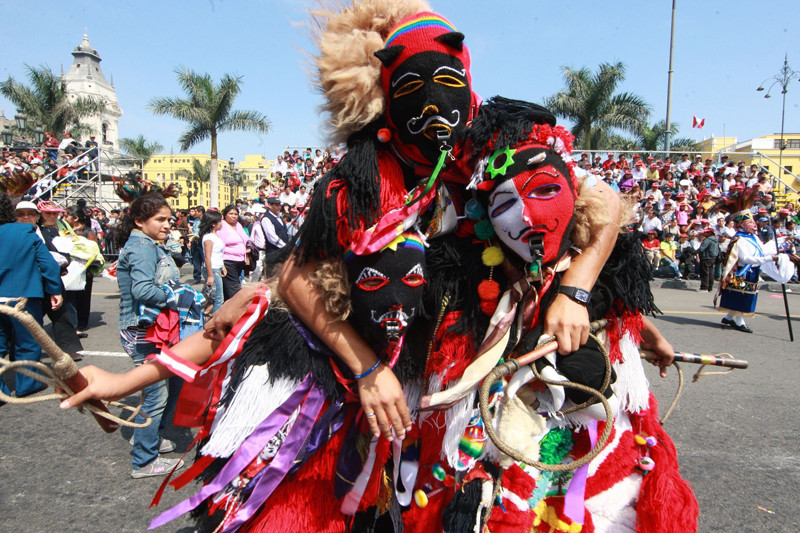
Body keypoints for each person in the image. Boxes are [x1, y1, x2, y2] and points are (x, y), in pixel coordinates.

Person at [115, 193, 184, 477]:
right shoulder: (142, 247)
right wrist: (180, 298)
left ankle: (149, 437)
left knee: (173, 384)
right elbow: (142, 290)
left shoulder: (148, 244)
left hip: (153, 330)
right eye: (160, 220)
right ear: (140, 221)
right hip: (143, 332)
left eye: (169, 219)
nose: (168, 225)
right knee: (156, 394)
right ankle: (144, 461)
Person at [0, 195, 62, 399]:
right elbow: (48, 264)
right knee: (27, 343)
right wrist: (54, 289)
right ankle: (27, 384)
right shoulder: (26, 233)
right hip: (23, 296)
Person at [35, 200, 84, 360]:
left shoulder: (61, 227)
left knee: (62, 313)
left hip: (53, 275)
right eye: (48, 213)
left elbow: (65, 248)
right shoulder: (30, 231)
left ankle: (69, 348)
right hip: (33, 278)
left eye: (55, 213)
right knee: (30, 317)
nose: (52, 216)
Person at [63, 203, 98, 337]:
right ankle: (72, 321)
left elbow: (95, 251)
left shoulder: (87, 232)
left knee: (83, 297)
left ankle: (82, 321)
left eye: (67, 216)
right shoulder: (65, 231)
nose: (64, 218)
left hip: (84, 269)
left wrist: (90, 268)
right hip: (70, 268)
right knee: (70, 297)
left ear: (76, 218)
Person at [217, 204, 249, 300]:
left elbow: (245, 239)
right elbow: (220, 245)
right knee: (233, 289)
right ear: (225, 215)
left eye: (235, 214)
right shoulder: (222, 226)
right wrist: (221, 264)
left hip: (239, 261)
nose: (234, 216)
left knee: (230, 288)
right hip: (228, 261)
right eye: (231, 213)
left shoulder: (238, 225)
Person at [200, 211, 226, 313]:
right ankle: (214, 323)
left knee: (215, 298)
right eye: (219, 221)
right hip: (212, 269)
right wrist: (210, 275)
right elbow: (207, 256)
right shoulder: (208, 237)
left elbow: (218, 253)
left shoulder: (215, 236)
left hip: (217, 268)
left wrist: (222, 266)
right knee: (218, 299)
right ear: (213, 223)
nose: (221, 223)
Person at [696, 227, 720, 292]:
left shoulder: (707, 240)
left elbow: (701, 249)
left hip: (706, 257)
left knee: (704, 273)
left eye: (706, 232)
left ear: (710, 233)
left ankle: (704, 287)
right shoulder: (716, 240)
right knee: (710, 273)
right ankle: (710, 287)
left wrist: (694, 252)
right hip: (713, 258)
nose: (704, 233)